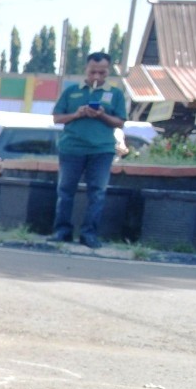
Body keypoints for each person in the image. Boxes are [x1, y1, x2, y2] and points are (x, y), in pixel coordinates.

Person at [51, 52, 126, 248]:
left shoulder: (115, 94)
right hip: (72, 147)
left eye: (102, 73)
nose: (97, 77)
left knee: (97, 192)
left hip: (102, 149)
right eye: (93, 72)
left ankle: (89, 234)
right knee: (65, 190)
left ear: (108, 71)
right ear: (86, 69)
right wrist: (77, 114)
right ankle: (62, 231)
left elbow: (120, 122)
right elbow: (57, 118)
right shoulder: (72, 91)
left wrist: (102, 115)